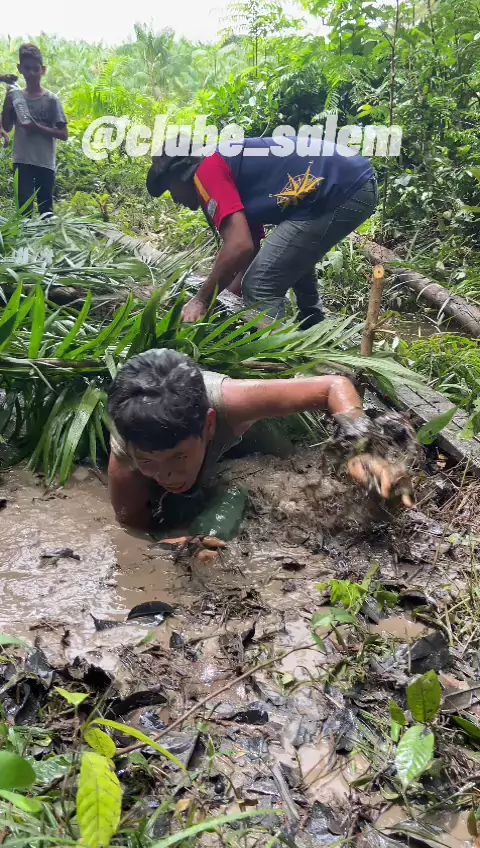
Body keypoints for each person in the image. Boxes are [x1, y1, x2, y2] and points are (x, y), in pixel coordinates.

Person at [107, 349, 414, 531]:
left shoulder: (233, 402)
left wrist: (360, 445)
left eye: (179, 457)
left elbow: (333, 386)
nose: (167, 475)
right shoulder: (127, 444)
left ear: (209, 425)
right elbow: (132, 523)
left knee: (275, 462)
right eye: (148, 461)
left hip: (243, 437)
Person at [146, 137, 377, 327]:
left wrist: (201, 300)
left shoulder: (207, 171)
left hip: (340, 188)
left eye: (170, 189)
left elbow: (239, 246)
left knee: (260, 285)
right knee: (286, 257)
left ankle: (278, 359)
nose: (174, 198)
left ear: (181, 175)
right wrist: (227, 299)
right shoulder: (227, 165)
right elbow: (251, 248)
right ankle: (313, 330)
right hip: (349, 181)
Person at [1, 45, 68, 216]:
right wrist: (6, 105)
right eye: (27, 68)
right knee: (24, 213)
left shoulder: (51, 100)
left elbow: (64, 134)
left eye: (36, 69)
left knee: (46, 212)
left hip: (45, 162)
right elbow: (7, 127)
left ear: (43, 70)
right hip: (22, 161)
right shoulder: (15, 98)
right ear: (19, 68)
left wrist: (37, 127)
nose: (31, 73)